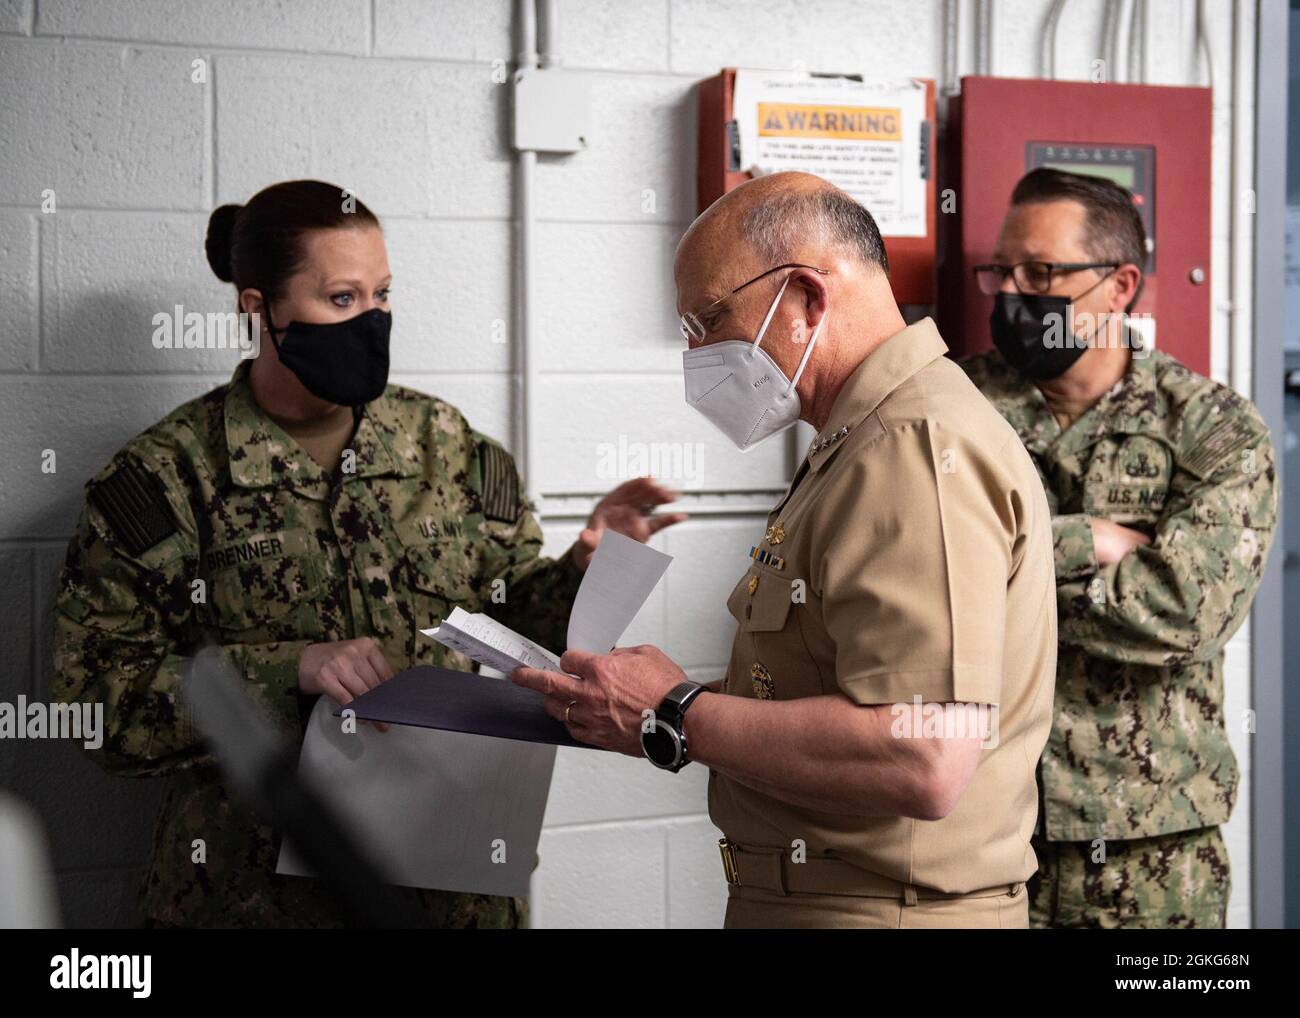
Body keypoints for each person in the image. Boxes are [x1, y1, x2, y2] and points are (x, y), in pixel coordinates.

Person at [49, 179, 684, 929]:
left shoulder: (443, 444)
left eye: (382, 295)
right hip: (254, 904)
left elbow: (515, 623)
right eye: (341, 299)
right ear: (258, 309)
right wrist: (294, 670)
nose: (372, 319)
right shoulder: (167, 478)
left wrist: (587, 567)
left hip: (450, 893)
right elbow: (93, 705)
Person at [512, 171, 1057, 929]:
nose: (697, 355)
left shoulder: (912, 447)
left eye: (708, 320)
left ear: (804, 298)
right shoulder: (863, 442)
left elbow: (924, 755)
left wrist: (677, 708)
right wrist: (651, 711)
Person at [960, 167, 1278, 928]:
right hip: (981, 836)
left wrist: (1015, 567)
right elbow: (918, 582)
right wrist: (1088, 543)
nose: (1012, 293)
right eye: (1001, 271)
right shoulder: (953, 411)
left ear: (1119, 286)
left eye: (1040, 272)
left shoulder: (1213, 428)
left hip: (1152, 850)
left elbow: (1183, 614)